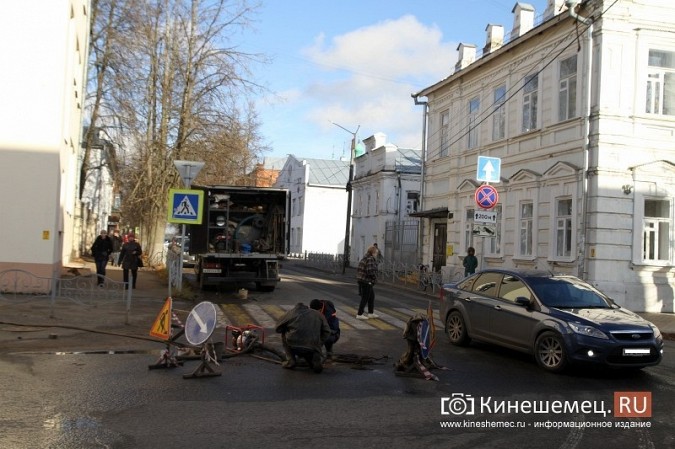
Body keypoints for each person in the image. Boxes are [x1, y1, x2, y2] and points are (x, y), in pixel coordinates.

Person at [275, 302, 331, 373]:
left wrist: (287, 328)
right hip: (312, 345)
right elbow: (327, 331)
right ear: (307, 307)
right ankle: (315, 356)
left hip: (293, 344)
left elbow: (277, 329)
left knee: (284, 333)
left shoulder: (290, 313)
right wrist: (320, 342)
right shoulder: (318, 314)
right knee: (313, 346)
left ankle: (290, 360)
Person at [356, 245, 379, 320]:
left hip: (362, 280)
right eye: (376, 253)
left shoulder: (365, 258)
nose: (376, 254)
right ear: (373, 253)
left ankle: (370, 313)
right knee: (365, 298)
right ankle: (359, 314)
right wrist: (374, 278)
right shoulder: (370, 259)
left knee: (371, 297)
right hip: (366, 281)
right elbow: (370, 271)